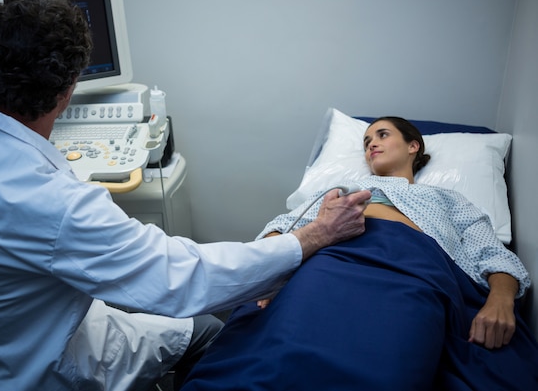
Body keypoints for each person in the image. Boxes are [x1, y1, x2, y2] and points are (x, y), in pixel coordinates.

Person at [0, 0, 370, 391]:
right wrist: (314, 235)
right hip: (39, 370)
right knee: (208, 329)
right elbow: (183, 277)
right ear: (67, 90)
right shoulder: (54, 203)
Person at [180, 117, 538, 390]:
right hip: (332, 259)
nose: (371, 145)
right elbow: (286, 224)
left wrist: (501, 301)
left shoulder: (448, 199)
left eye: (382, 135)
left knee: (391, 355)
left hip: (414, 271)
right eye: (366, 141)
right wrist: (265, 268)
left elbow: (492, 253)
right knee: (287, 340)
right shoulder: (340, 191)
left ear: (414, 146)